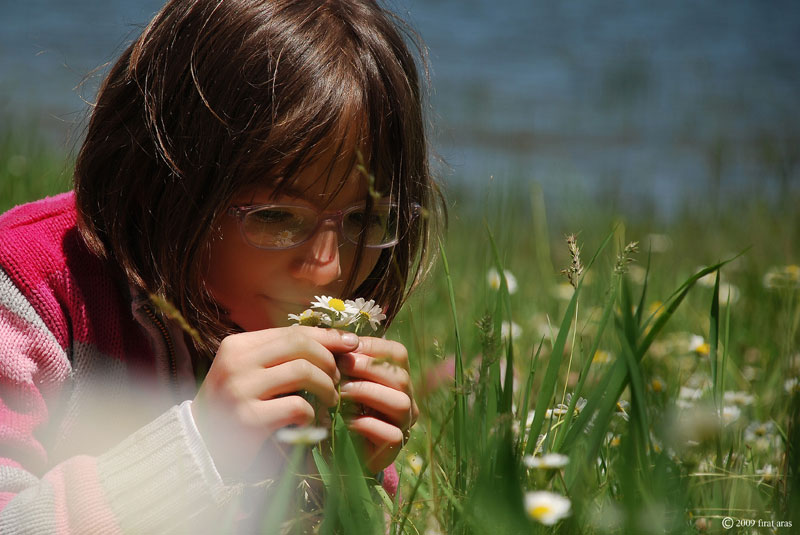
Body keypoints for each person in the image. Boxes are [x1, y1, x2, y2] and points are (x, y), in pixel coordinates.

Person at [0, 0, 445, 531]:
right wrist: (199, 447)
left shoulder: (280, 328)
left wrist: (341, 476)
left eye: (364, 222)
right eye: (277, 216)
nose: (328, 270)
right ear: (164, 180)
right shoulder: (29, 290)